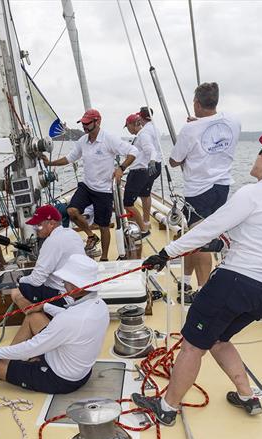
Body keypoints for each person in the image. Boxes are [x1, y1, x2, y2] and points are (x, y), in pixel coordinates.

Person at [132, 136, 262, 426]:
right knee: (218, 338)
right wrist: (223, 245)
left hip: (235, 284)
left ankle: (166, 407)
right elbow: (260, 238)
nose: (256, 156)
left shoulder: (251, 194)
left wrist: (165, 253)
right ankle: (246, 395)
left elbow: (207, 229)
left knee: (192, 344)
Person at [0, 254, 109, 394]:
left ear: (79, 288)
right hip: (81, 372)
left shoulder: (70, 319)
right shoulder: (99, 305)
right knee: (33, 316)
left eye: (66, 281)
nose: (63, 284)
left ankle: (9, 366)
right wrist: (44, 306)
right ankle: (12, 361)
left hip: (60, 379)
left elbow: (33, 347)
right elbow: (73, 323)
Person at [168, 82, 241, 300]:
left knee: (201, 241)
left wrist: (194, 127)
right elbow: (213, 127)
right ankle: (186, 281)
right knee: (192, 235)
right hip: (221, 187)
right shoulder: (233, 121)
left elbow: (174, 161)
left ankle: (203, 293)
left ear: (197, 103)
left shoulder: (190, 129)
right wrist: (199, 124)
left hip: (199, 191)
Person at [43, 109, 138, 261]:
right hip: (87, 187)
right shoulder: (83, 141)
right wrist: (50, 163)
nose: (84, 126)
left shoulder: (109, 139)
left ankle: (105, 258)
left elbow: (133, 151)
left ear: (97, 122)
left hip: (104, 190)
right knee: (72, 211)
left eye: (87, 123)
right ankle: (91, 236)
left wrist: (121, 168)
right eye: (83, 123)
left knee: (104, 226)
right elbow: (69, 158)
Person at [10, 204, 85, 311]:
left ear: (51, 223)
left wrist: (20, 280)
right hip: (78, 292)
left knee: (16, 291)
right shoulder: (72, 234)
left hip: (64, 297)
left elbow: (36, 280)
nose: (35, 229)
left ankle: (38, 319)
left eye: (38, 225)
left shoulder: (51, 242)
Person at [123, 113, 159, 237]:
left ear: (133, 124)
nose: (128, 129)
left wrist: (152, 161)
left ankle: (143, 229)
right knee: (130, 201)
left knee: (128, 203)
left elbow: (151, 150)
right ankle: (136, 227)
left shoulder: (143, 135)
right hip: (136, 171)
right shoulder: (139, 136)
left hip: (139, 172)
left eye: (127, 126)